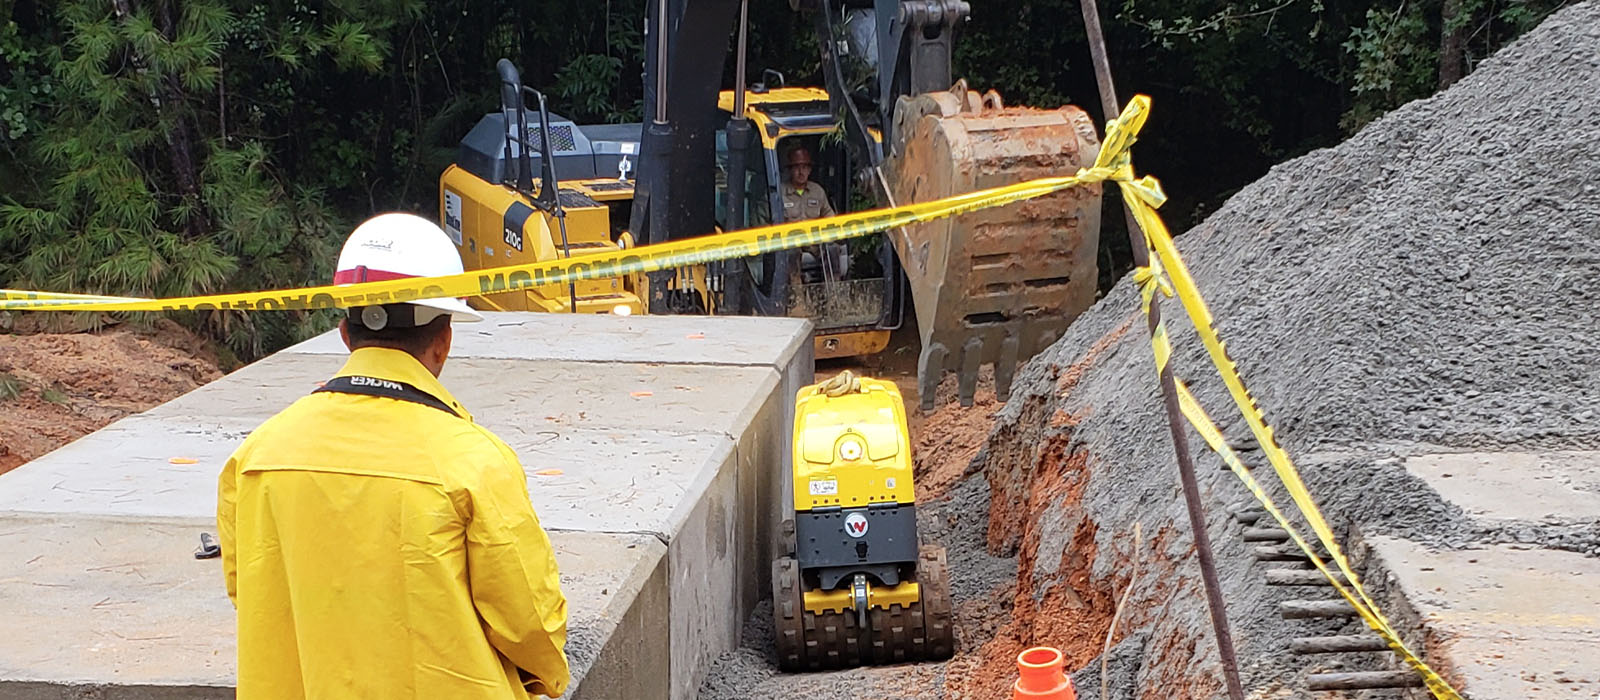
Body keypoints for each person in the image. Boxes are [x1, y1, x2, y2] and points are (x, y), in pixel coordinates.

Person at [217, 212, 570, 700]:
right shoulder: (472, 462)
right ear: (442, 341)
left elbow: (250, 591)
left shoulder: (256, 457)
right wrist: (545, 676)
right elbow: (528, 620)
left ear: (345, 333)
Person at [780, 145, 848, 285]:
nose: (801, 172)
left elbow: (829, 215)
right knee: (791, 252)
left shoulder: (817, 191)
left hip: (814, 241)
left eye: (805, 167)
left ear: (810, 170)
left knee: (832, 249)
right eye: (797, 167)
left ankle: (833, 295)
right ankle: (797, 297)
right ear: (790, 170)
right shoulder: (780, 193)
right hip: (791, 242)